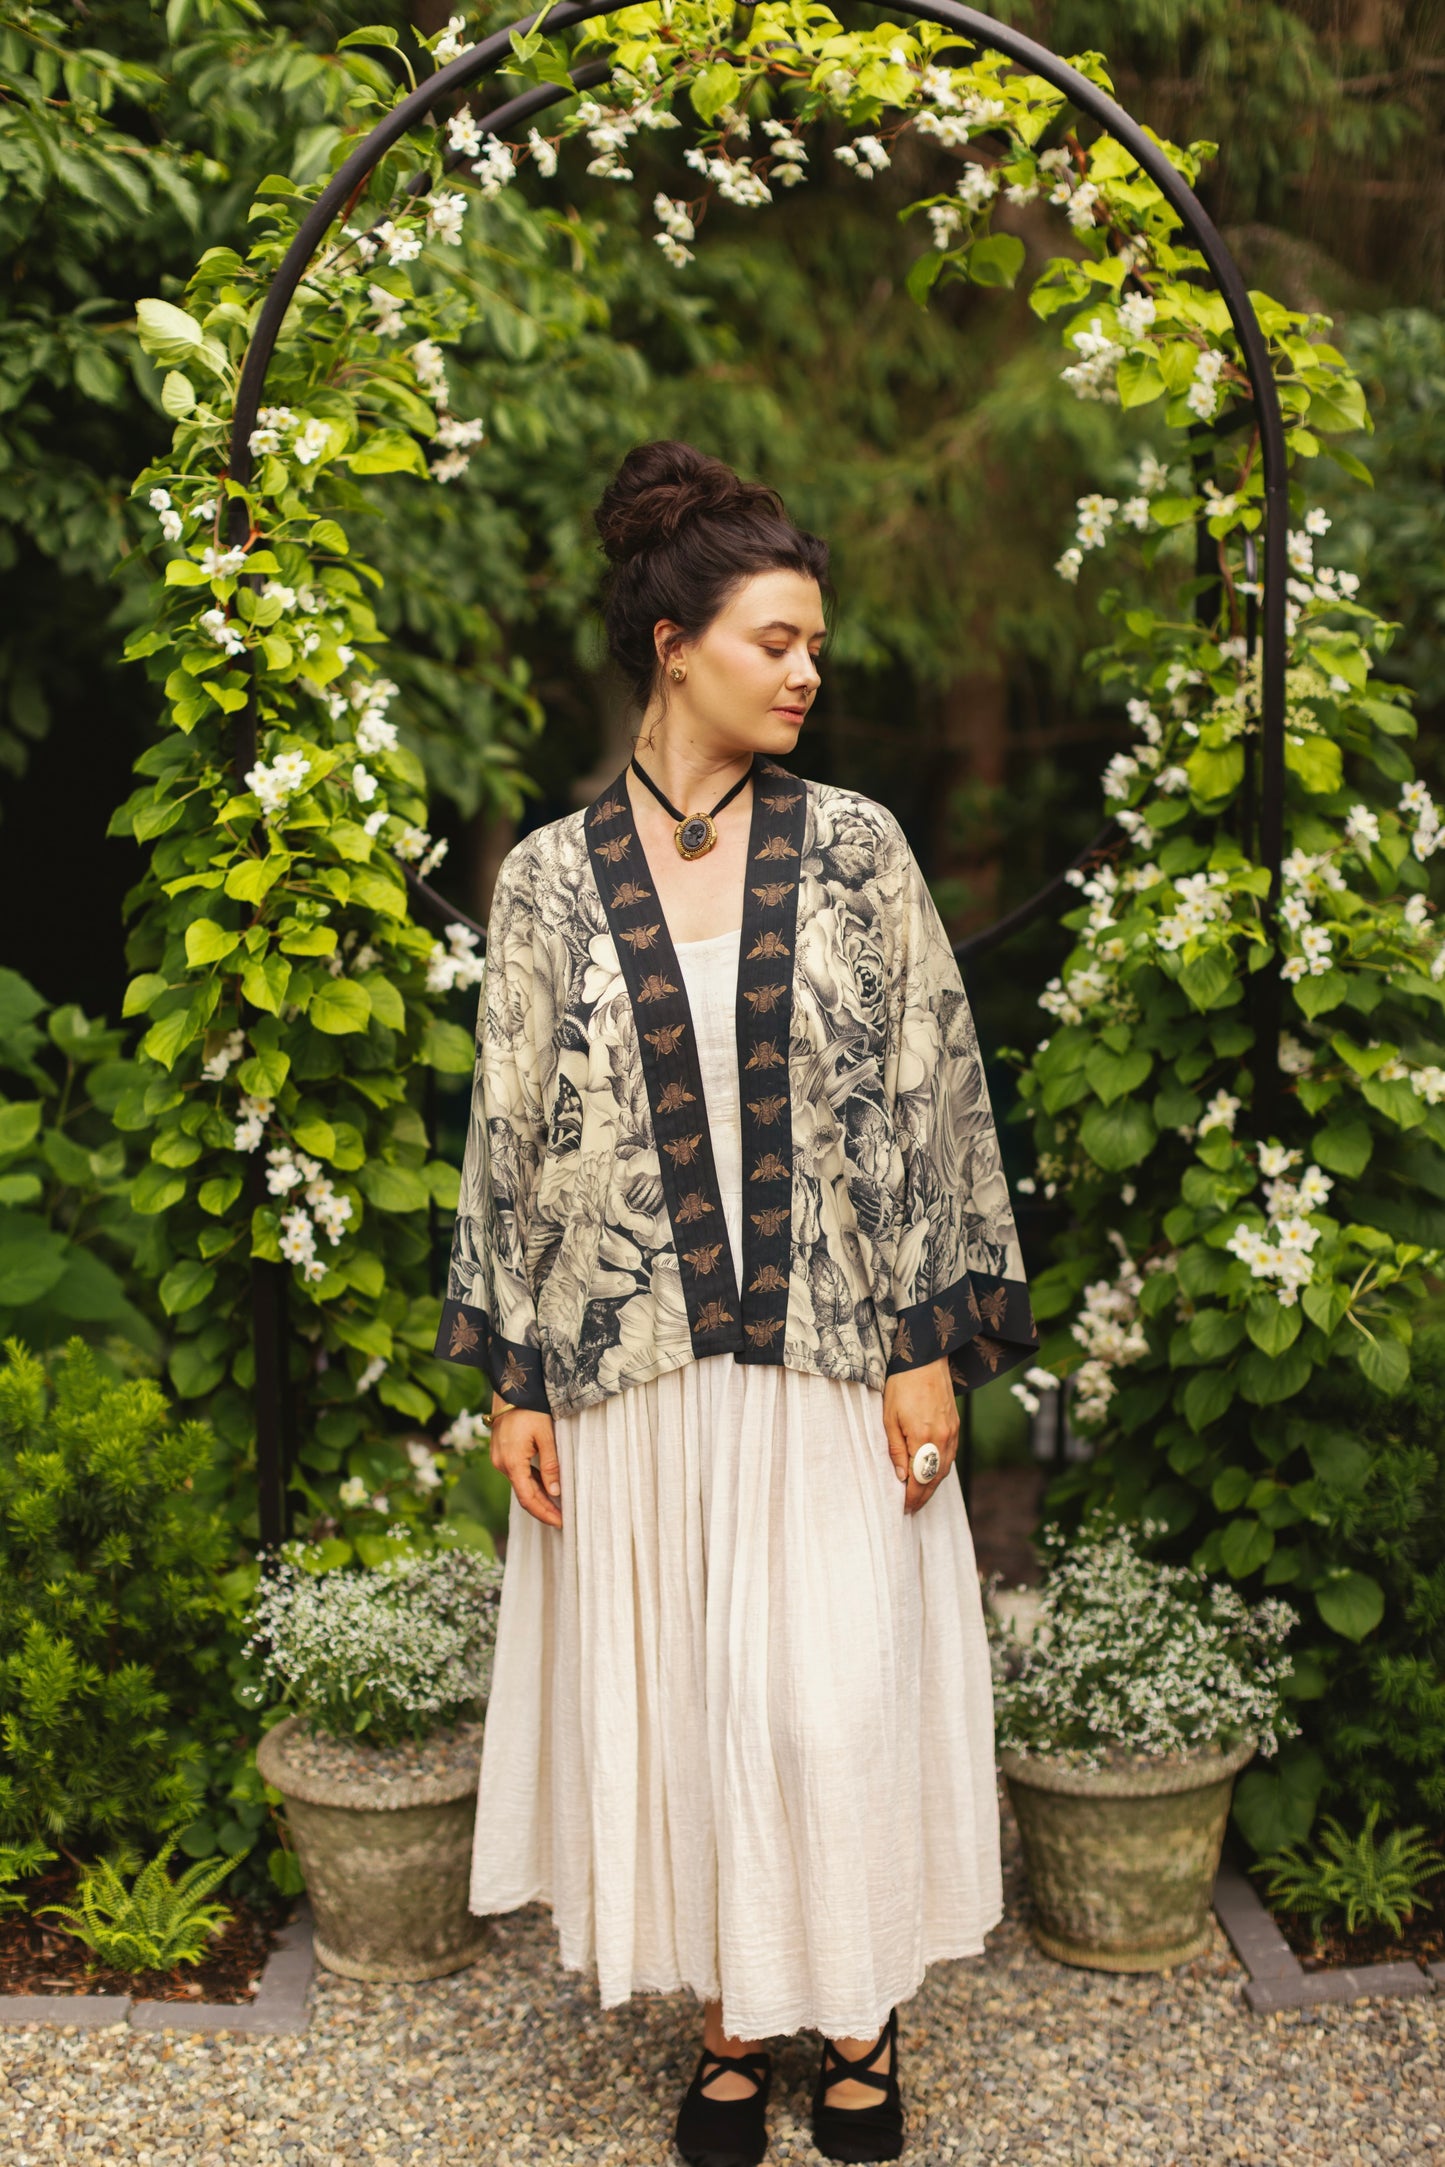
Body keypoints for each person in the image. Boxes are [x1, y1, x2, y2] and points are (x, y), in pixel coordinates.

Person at [436, 440, 1038, 2166]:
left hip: (841, 1363)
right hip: (634, 1372)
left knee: (822, 1691)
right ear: (672, 642)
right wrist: (517, 1379)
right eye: (774, 639)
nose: (806, 672)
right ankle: (724, 2017)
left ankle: (851, 2010)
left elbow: (938, 1102)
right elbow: (514, 1140)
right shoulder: (550, 880)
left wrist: (930, 1350)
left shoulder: (857, 850)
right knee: (691, 1696)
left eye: (815, 646)